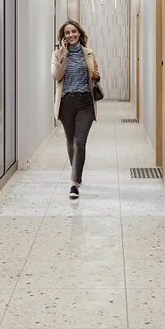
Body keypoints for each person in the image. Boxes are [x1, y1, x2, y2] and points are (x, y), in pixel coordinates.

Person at [52, 20, 100, 199]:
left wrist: (96, 76)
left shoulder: (89, 53)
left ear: (79, 33)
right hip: (66, 102)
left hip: (85, 102)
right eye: (67, 33)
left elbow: (95, 76)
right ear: (63, 37)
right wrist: (64, 54)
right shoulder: (57, 54)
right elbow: (56, 75)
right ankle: (77, 173)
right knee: (70, 142)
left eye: (74, 31)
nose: (71, 35)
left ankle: (74, 183)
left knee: (79, 142)